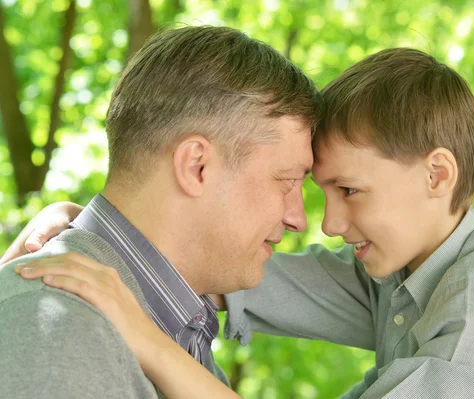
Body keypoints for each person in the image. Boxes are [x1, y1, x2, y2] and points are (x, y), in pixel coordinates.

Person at [5, 48, 474, 398]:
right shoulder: (398, 278)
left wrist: (152, 345)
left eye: (348, 190)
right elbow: (201, 257)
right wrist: (89, 224)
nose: (322, 223)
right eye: (300, 185)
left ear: (436, 175)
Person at [0, 25, 323, 398]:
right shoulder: (55, 328)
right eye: (286, 181)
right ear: (196, 167)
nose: (297, 218)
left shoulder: (175, 336)